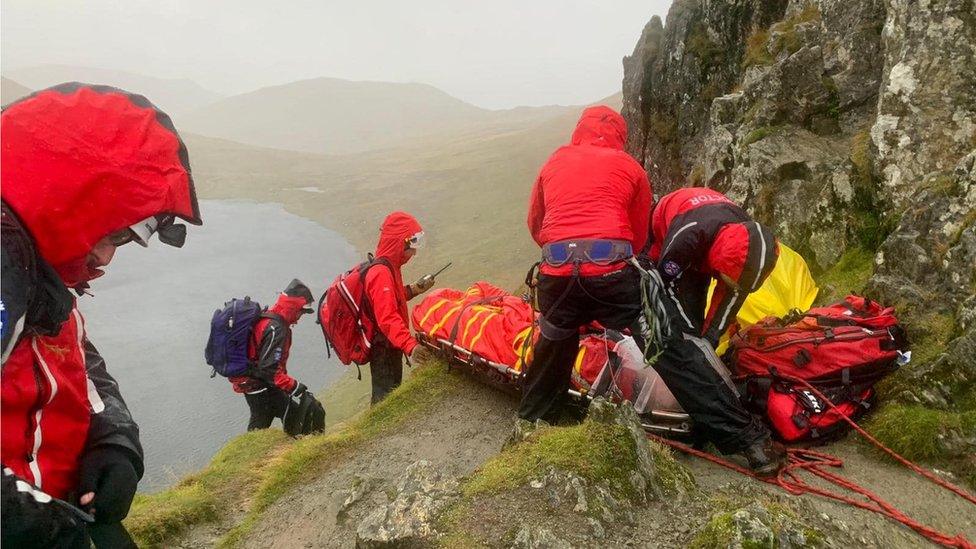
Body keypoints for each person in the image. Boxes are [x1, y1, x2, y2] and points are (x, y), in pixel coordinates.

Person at [1, 83, 201, 547]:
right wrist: (22, 523)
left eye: (122, 239)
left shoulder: (43, 281)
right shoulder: (8, 273)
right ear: (70, 200)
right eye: (109, 233)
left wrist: (113, 442)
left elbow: (82, 369)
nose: (107, 258)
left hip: (65, 511)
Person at [521, 105, 652, 423]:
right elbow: (640, 232)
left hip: (558, 270)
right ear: (620, 134)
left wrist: (562, 256)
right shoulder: (629, 165)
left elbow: (536, 224)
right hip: (611, 273)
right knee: (657, 341)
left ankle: (531, 424)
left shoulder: (554, 161)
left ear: (580, 128)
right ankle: (741, 436)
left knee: (554, 345)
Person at [645, 186, 785, 475]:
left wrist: (707, 341)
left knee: (697, 332)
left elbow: (731, 297)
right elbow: (661, 289)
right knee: (674, 327)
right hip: (664, 233)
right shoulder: (686, 237)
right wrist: (685, 344)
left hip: (711, 243)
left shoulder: (749, 245)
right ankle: (677, 388)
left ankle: (698, 392)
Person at [228, 279, 322, 432]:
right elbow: (269, 370)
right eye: (300, 312)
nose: (299, 318)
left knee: (268, 421)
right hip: (260, 386)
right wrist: (294, 386)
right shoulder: (276, 329)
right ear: (292, 308)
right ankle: (302, 446)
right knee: (286, 416)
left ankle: (295, 445)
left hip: (254, 383)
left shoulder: (269, 319)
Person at [363, 211, 434, 403]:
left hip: (390, 343)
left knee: (391, 393)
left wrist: (414, 289)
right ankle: (377, 432)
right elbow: (387, 318)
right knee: (384, 398)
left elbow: (390, 299)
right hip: (383, 347)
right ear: (400, 243)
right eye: (412, 246)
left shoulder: (389, 267)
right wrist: (411, 346)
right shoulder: (381, 273)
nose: (414, 252)